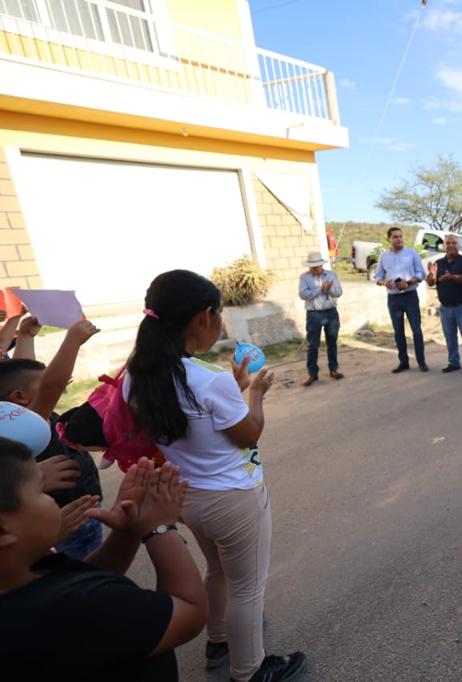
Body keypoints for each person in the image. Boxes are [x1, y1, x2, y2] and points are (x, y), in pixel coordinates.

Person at [125, 270, 305, 682]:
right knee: (247, 587)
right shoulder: (209, 380)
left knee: (218, 570)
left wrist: (234, 388)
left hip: (187, 496)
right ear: (204, 316)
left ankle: (219, 639)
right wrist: (255, 394)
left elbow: (196, 421)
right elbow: (248, 435)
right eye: (219, 313)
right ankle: (251, 671)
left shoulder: (136, 375)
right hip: (233, 497)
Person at [0, 449, 208, 681]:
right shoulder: (80, 608)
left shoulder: (23, 578)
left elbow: (81, 579)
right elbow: (191, 610)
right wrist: (160, 528)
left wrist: (127, 532)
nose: (52, 500)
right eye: (42, 491)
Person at [0, 319, 103, 559]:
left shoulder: (11, 417)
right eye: (43, 378)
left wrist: (26, 335)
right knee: (85, 568)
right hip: (72, 518)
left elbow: (22, 372)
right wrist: (73, 339)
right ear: (19, 397)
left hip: (69, 510)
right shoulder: (28, 423)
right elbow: (51, 387)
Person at [375, 227, 428, 373]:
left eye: (400, 236)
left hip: (410, 295)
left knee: (416, 330)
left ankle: (421, 362)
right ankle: (403, 362)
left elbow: (421, 273)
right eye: (395, 237)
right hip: (393, 298)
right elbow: (378, 277)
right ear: (389, 240)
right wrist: (384, 282)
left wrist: (409, 282)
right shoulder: (384, 256)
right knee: (398, 332)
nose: (398, 239)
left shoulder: (411, 253)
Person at [426, 235, 462, 375]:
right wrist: (431, 274)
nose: (451, 245)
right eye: (448, 243)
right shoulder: (438, 263)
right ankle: (454, 362)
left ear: (458, 245)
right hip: (445, 308)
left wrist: (452, 277)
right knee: (450, 337)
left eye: (454, 243)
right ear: (444, 246)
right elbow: (430, 282)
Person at [298, 251, 343, 387]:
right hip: (314, 314)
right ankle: (312, 373)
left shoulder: (331, 275)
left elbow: (339, 292)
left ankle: (333, 369)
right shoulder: (304, 277)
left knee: (332, 342)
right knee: (313, 345)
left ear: (321, 265)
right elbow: (303, 295)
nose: (314, 269)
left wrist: (329, 290)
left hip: (331, 312)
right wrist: (319, 289)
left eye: (317, 266)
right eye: (312, 266)